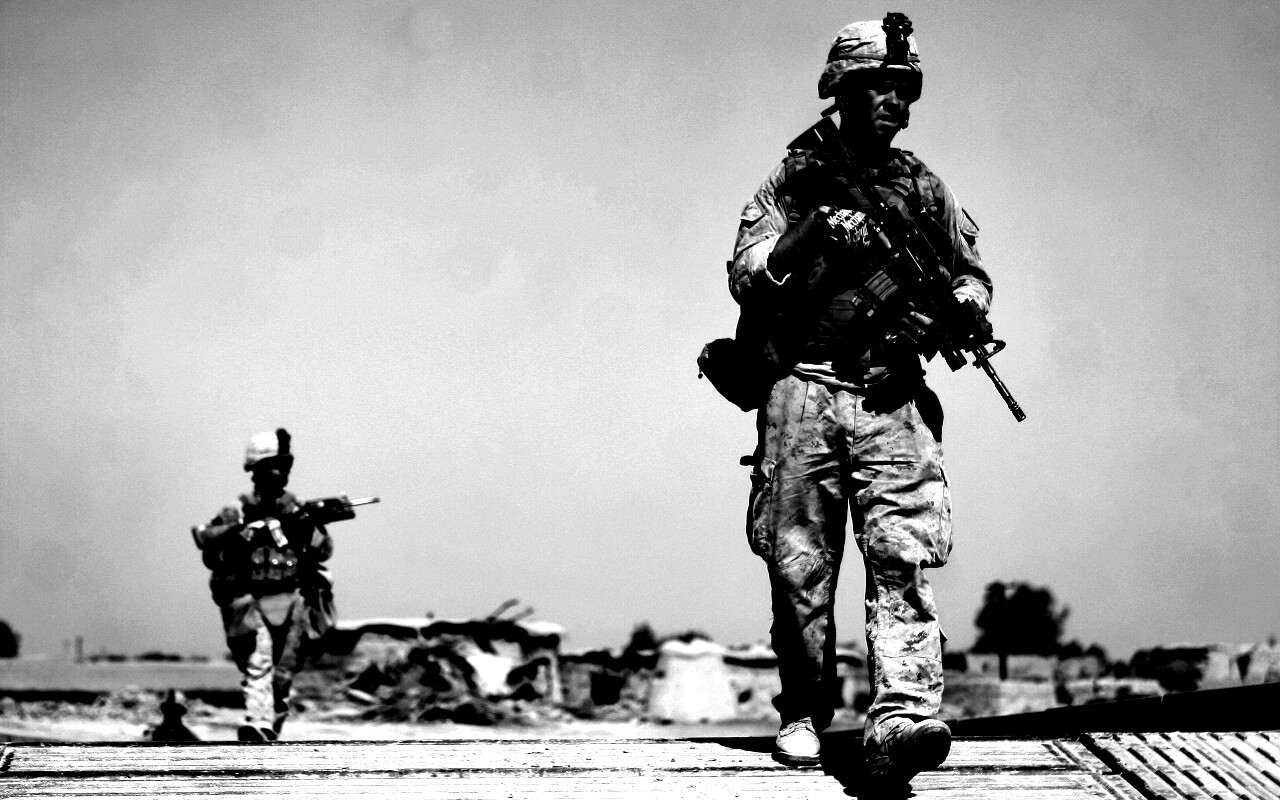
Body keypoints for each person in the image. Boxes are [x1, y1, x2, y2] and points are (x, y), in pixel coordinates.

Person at [726, 13, 994, 790]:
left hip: (892, 390)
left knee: (903, 556)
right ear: (842, 89)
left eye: (904, 90)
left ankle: (901, 719)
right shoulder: (793, 179)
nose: (894, 102)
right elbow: (745, 273)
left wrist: (966, 306)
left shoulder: (924, 188)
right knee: (799, 565)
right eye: (878, 86)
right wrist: (812, 232)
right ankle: (805, 712)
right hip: (803, 387)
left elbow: (972, 273)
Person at [192, 428, 336, 741]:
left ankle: (269, 733)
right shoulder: (237, 511)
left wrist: (310, 525)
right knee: (258, 664)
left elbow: (323, 551)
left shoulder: (297, 509)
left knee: (283, 674)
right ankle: (258, 721)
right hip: (250, 602)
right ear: (255, 469)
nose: (281, 473)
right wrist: (244, 536)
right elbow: (211, 552)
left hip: (291, 601)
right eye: (273, 466)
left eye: (285, 466)